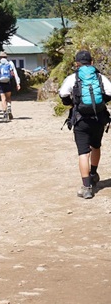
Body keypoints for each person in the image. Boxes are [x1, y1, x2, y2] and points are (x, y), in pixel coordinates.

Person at [59, 50, 111, 199]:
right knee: (96, 146)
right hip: (99, 119)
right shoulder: (99, 77)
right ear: (92, 62)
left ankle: (87, 187)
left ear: (77, 63)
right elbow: (110, 92)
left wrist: (72, 103)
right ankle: (93, 174)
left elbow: (63, 94)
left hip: (81, 120)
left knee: (83, 153)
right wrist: (100, 103)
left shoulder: (73, 77)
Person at [0, 51, 21, 121]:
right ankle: (9, 107)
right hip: (8, 82)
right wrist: (18, 83)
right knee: (8, 97)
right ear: (6, 57)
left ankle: (5, 114)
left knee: (3, 98)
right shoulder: (10, 63)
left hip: (0, 83)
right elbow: (15, 73)